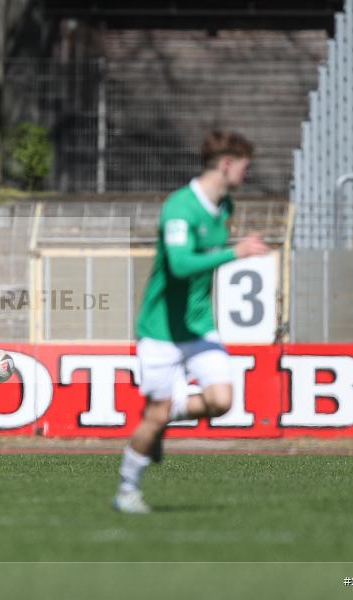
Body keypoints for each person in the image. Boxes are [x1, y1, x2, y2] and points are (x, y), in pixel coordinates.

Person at [114, 131, 270, 513]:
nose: (247, 175)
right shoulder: (180, 208)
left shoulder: (225, 207)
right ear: (227, 164)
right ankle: (127, 490)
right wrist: (235, 253)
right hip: (161, 330)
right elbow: (182, 265)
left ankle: (169, 414)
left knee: (222, 400)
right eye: (245, 167)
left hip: (199, 326)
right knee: (153, 417)